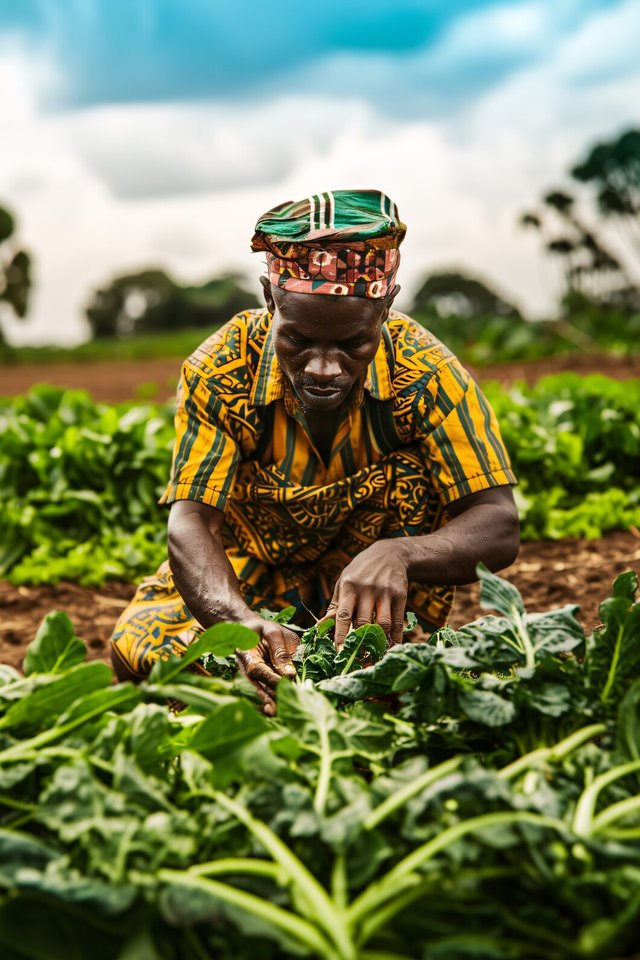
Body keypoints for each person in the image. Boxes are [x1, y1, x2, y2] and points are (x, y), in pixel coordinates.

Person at [110, 189, 519, 711]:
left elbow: (498, 521)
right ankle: (264, 654)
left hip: (371, 603)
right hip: (250, 576)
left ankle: (380, 656)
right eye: (298, 340)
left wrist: (400, 553)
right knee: (141, 650)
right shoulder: (219, 370)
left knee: (370, 691)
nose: (323, 368)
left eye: (352, 344)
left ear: (386, 307)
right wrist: (236, 625)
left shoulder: (430, 375)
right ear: (269, 298)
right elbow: (192, 522)